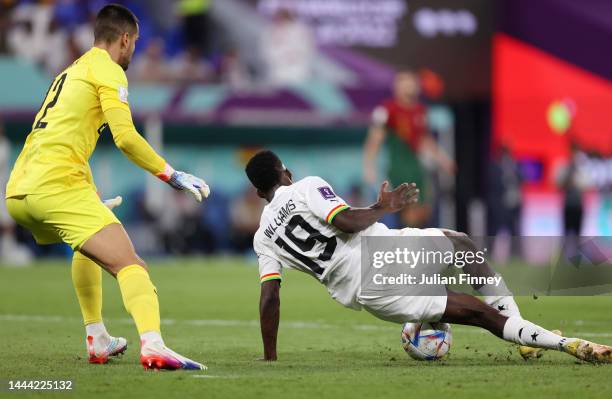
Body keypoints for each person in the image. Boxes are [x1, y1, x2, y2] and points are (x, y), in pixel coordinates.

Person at [245, 150, 612, 363]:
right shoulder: (306, 186)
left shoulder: (263, 238)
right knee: (467, 258)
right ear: (285, 172)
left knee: (472, 291)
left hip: (371, 287)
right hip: (381, 254)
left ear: (260, 191)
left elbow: (269, 299)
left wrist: (270, 357)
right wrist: (380, 206)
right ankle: (559, 343)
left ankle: (532, 336)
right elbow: (345, 220)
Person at [5, 4, 208, 371]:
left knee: (85, 243)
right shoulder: (109, 69)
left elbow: (59, 137)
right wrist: (172, 174)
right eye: (135, 44)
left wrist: (88, 190)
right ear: (125, 39)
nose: (134, 52)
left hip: (20, 190)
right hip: (55, 186)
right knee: (132, 265)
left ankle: (97, 337)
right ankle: (154, 345)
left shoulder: (70, 71)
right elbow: (126, 138)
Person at [363, 70, 455, 228]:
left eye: (411, 82)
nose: (409, 86)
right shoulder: (388, 109)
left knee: (425, 210)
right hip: (399, 168)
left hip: (417, 168)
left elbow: (426, 140)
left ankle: (409, 243)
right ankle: (403, 246)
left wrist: (443, 159)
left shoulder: (420, 110)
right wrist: (369, 167)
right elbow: (374, 140)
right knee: (409, 213)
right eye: (404, 82)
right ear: (396, 87)